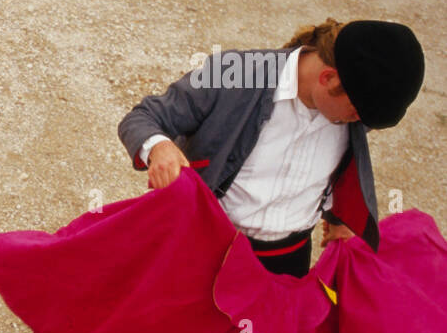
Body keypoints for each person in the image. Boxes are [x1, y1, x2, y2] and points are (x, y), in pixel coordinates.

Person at [118, 19, 424, 276]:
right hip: (203, 252)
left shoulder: (350, 108)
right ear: (328, 78)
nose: (359, 122)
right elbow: (143, 118)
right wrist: (159, 147)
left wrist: (339, 217)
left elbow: (339, 168)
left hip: (287, 262)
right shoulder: (234, 72)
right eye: (357, 111)